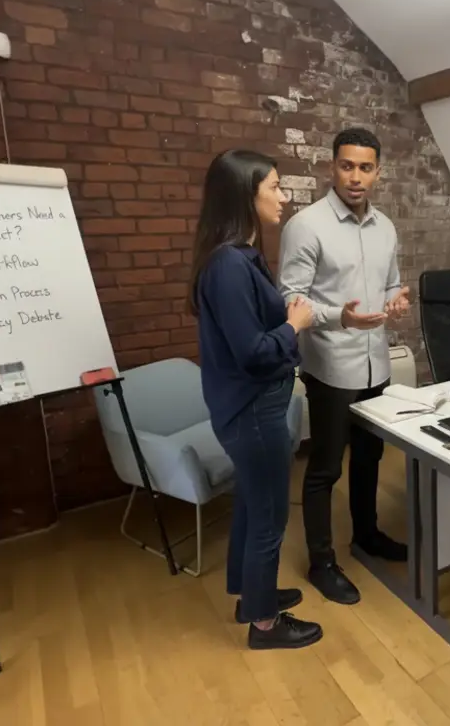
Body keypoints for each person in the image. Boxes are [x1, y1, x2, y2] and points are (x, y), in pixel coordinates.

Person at [191, 149, 322, 650]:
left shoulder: (240, 256)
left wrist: (283, 318)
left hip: (251, 408)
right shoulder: (228, 265)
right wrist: (294, 324)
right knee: (269, 515)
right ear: (246, 195)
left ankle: (252, 597)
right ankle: (265, 625)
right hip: (251, 412)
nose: (283, 197)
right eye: (274, 188)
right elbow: (251, 353)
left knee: (251, 503)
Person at [279, 127, 411, 605]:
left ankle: (367, 535)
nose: (356, 177)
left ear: (378, 172)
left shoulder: (386, 227)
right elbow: (290, 298)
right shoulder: (306, 225)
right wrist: (342, 317)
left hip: (377, 364)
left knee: (371, 457)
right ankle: (321, 562)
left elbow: (392, 282)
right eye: (347, 166)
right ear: (332, 166)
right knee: (325, 467)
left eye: (365, 168)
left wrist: (396, 300)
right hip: (331, 366)